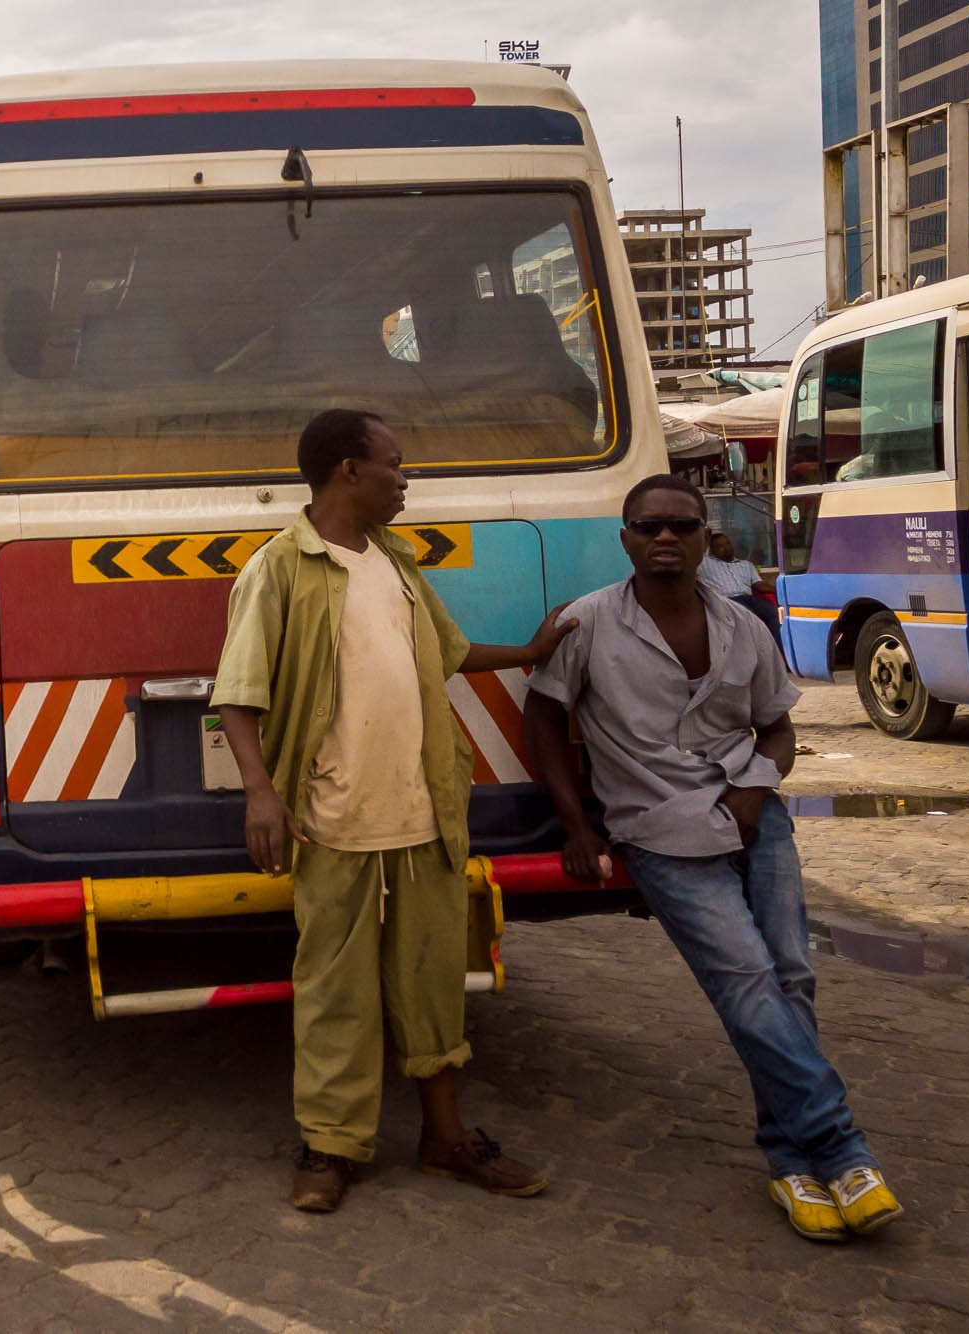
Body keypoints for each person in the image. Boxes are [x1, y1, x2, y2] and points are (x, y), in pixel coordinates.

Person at [521, 474, 902, 1244]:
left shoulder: (743, 627)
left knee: (791, 978)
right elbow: (543, 719)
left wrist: (758, 790)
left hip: (754, 819)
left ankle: (790, 1162)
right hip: (658, 829)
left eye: (682, 526)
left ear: (703, 537)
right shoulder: (584, 625)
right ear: (624, 538)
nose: (666, 538)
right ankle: (842, 1148)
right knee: (748, 981)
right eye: (649, 526)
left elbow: (777, 731)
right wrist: (577, 826)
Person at [212, 408, 573, 1214]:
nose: (406, 480)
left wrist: (529, 653)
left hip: (426, 818)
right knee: (335, 990)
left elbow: (447, 652)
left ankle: (447, 1140)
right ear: (348, 471)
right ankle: (330, 1147)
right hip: (334, 822)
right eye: (396, 464)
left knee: (434, 984)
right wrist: (261, 793)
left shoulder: (400, 566)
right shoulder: (279, 570)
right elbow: (237, 695)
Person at [697, 530, 781, 641]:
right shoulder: (704, 564)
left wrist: (782, 591)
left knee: (773, 612)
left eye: (727, 543)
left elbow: (759, 585)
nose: (726, 548)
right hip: (726, 600)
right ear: (712, 550)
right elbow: (694, 556)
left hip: (749, 598)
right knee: (749, 616)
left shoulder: (746, 564)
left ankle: (778, 649)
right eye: (720, 546)